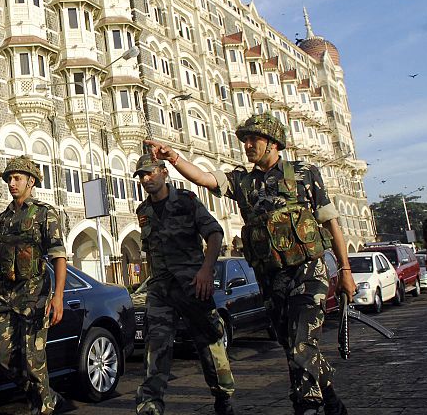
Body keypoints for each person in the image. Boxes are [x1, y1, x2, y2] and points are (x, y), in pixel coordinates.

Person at [144, 112, 356, 415]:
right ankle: (333, 401)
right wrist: (174, 157)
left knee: (300, 344)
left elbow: (330, 221)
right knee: (294, 347)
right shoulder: (243, 181)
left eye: (253, 139)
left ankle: (307, 405)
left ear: (272, 142)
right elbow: (204, 178)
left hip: (308, 273)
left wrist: (345, 271)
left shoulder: (305, 172)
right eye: (244, 140)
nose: (247, 145)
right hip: (271, 280)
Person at [133, 154, 235, 415]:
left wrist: (206, 269)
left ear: (164, 172)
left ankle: (223, 396)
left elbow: (214, 232)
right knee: (156, 344)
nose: (146, 179)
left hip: (193, 286)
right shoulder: (142, 212)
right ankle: (151, 404)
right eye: (142, 176)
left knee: (209, 342)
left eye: (150, 173)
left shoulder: (186, 201)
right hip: (161, 290)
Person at [0, 155, 68, 415]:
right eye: (9, 179)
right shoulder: (3, 218)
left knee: (34, 361)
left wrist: (58, 297)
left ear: (30, 182)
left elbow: (59, 256)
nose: (12, 183)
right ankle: (47, 397)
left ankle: (42, 407)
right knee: (3, 358)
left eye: (17, 178)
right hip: (7, 298)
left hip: (35, 297)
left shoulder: (45, 214)